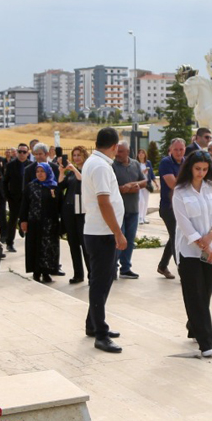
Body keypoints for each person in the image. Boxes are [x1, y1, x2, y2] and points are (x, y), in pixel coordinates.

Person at [171, 150, 212, 358]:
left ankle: (194, 325)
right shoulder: (180, 192)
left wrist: (211, 237)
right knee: (195, 296)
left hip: (211, 248)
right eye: (197, 169)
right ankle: (206, 342)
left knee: (206, 293)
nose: (201, 173)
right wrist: (203, 244)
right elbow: (184, 224)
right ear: (190, 168)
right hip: (189, 251)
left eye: (205, 169)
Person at [82, 127, 128, 353]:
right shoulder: (100, 166)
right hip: (102, 234)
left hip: (100, 232)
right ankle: (100, 334)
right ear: (114, 146)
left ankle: (93, 324)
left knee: (104, 280)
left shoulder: (97, 163)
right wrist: (117, 232)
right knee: (100, 284)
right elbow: (103, 202)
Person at [21, 162, 60, 283]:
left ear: (47, 172)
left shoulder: (53, 186)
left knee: (48, 248)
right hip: (34, 222)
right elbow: (25, 204)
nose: (40, 174)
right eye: (38, 171)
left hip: (49, 223)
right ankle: (36, 272)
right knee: (35, 246)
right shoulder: (31, 186)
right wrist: (23, 220)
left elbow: (59, 205)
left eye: (42, 171)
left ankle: (47, 272)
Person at [112, 143, 146, 280]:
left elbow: (144, 181)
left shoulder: (135, 164)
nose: (117, 154)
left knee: (130, 240)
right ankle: (113, 268)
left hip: (133, 209)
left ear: (128, 151)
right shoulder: (112, 166)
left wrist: (133, 185)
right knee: (119, 239)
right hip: (118, 211)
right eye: (116, 151)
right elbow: (111, 187)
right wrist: (123, 188)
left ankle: (126, 268)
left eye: (120, 151)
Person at [156, 139, 187, 279]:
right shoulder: (166, 163)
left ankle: (162, 266)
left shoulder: (186, 162)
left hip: (183, 206)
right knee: (176, 237)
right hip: (168, 207)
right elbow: (173, 184)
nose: (179, 152)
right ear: (170, 149)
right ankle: (182, 271)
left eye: (181, 149)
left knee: (174, 236)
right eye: (176, 149)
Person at [57, 146, 87, 284]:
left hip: (82, 212)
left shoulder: (86, 170)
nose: (76, 158)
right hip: (69, 210)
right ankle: (78, 274)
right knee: (73, 243)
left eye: (78, 155)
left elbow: (83, 181)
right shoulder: (70, 173)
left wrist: (74, 169)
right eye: (74, 155)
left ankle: (91, 274)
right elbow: (60, 185)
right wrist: (62, 171)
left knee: (85, 244)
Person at [1, 145, 30, 253]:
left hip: (27, 199)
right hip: (14, 198)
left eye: (24, 152)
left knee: (28, 220)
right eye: (20, 151)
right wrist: (7, 196)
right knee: (12, 220)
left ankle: (29, 241)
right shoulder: (11, 165)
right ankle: (9, 243)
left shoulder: (31, 165)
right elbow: (5, 181)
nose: (22, 154)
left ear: (28, 153)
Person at [135, 147, 153, 224]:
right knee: (141, 201)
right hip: (139, 184)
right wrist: (143, 172)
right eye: (140, 153)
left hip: (146, 184)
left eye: (142, 153)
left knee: (146, 201)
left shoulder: (148, 163)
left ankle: (144, 217)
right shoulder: (136, 163)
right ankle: (139, 217)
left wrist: (155, 182)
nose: (141, 154)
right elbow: (135, 173)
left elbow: (151, 173)